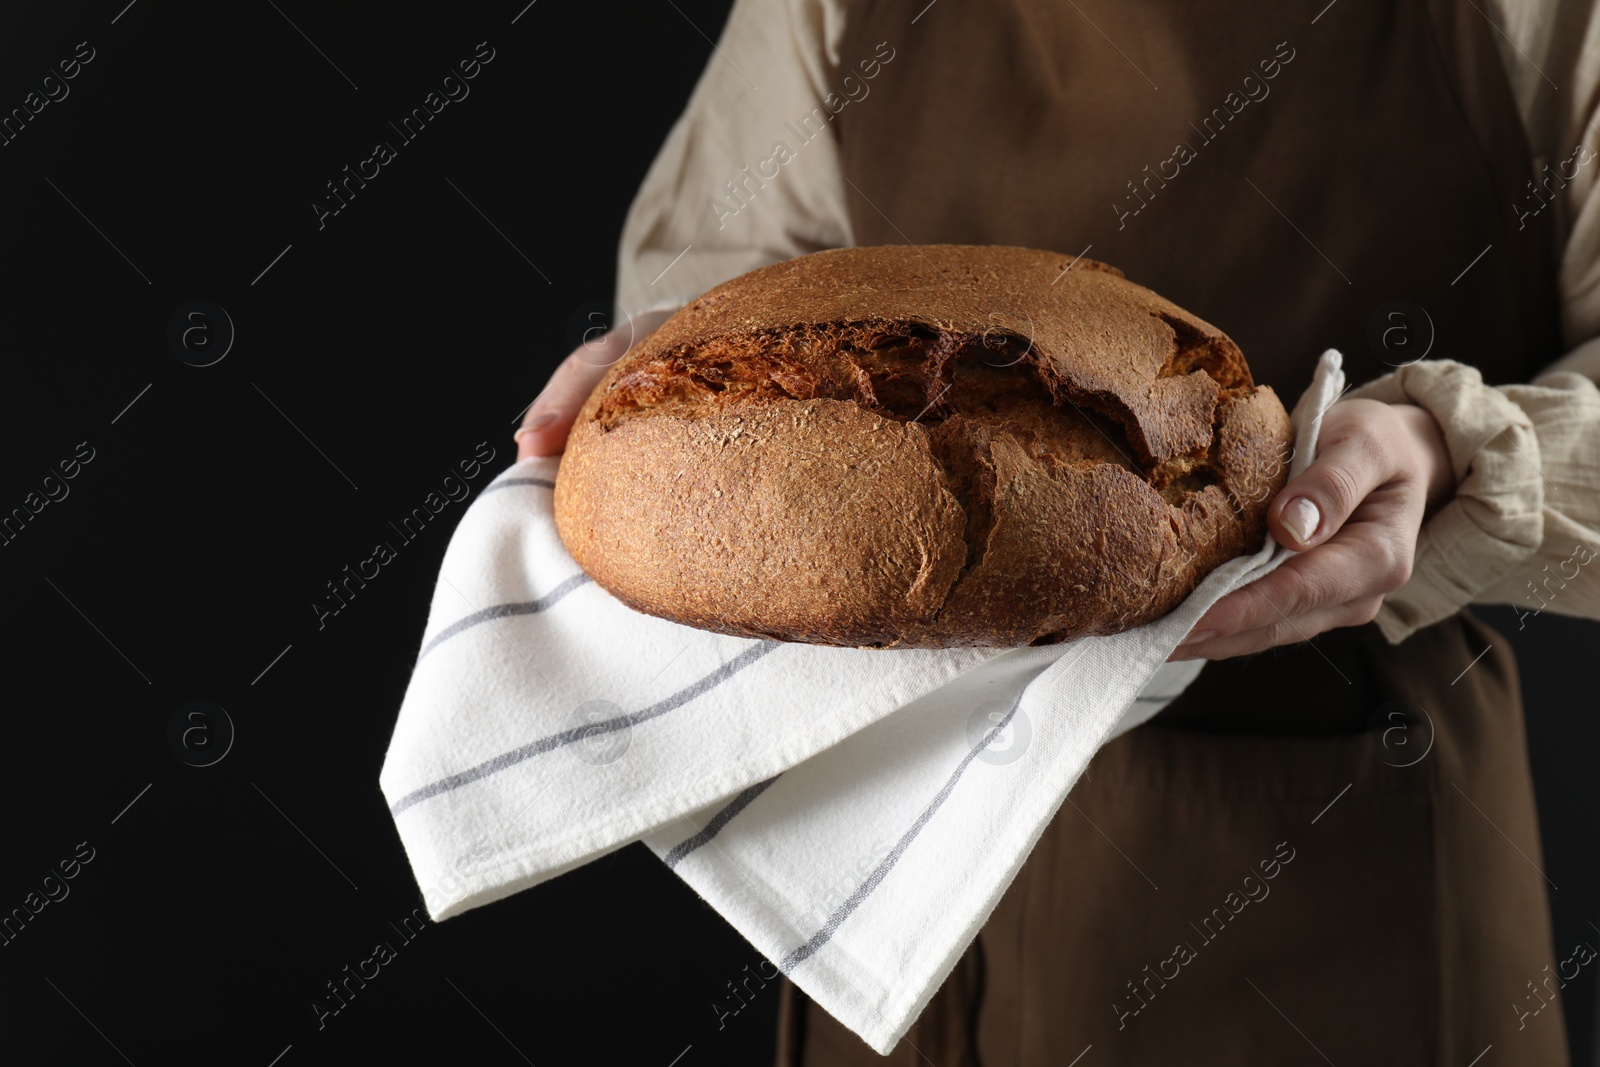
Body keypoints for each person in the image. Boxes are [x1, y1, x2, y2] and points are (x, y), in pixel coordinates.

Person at [515, 0, 1600, 1062]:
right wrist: (671, 355)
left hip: (1333, 906)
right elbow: (716, 285)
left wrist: (1464, 450)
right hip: (896, 902)